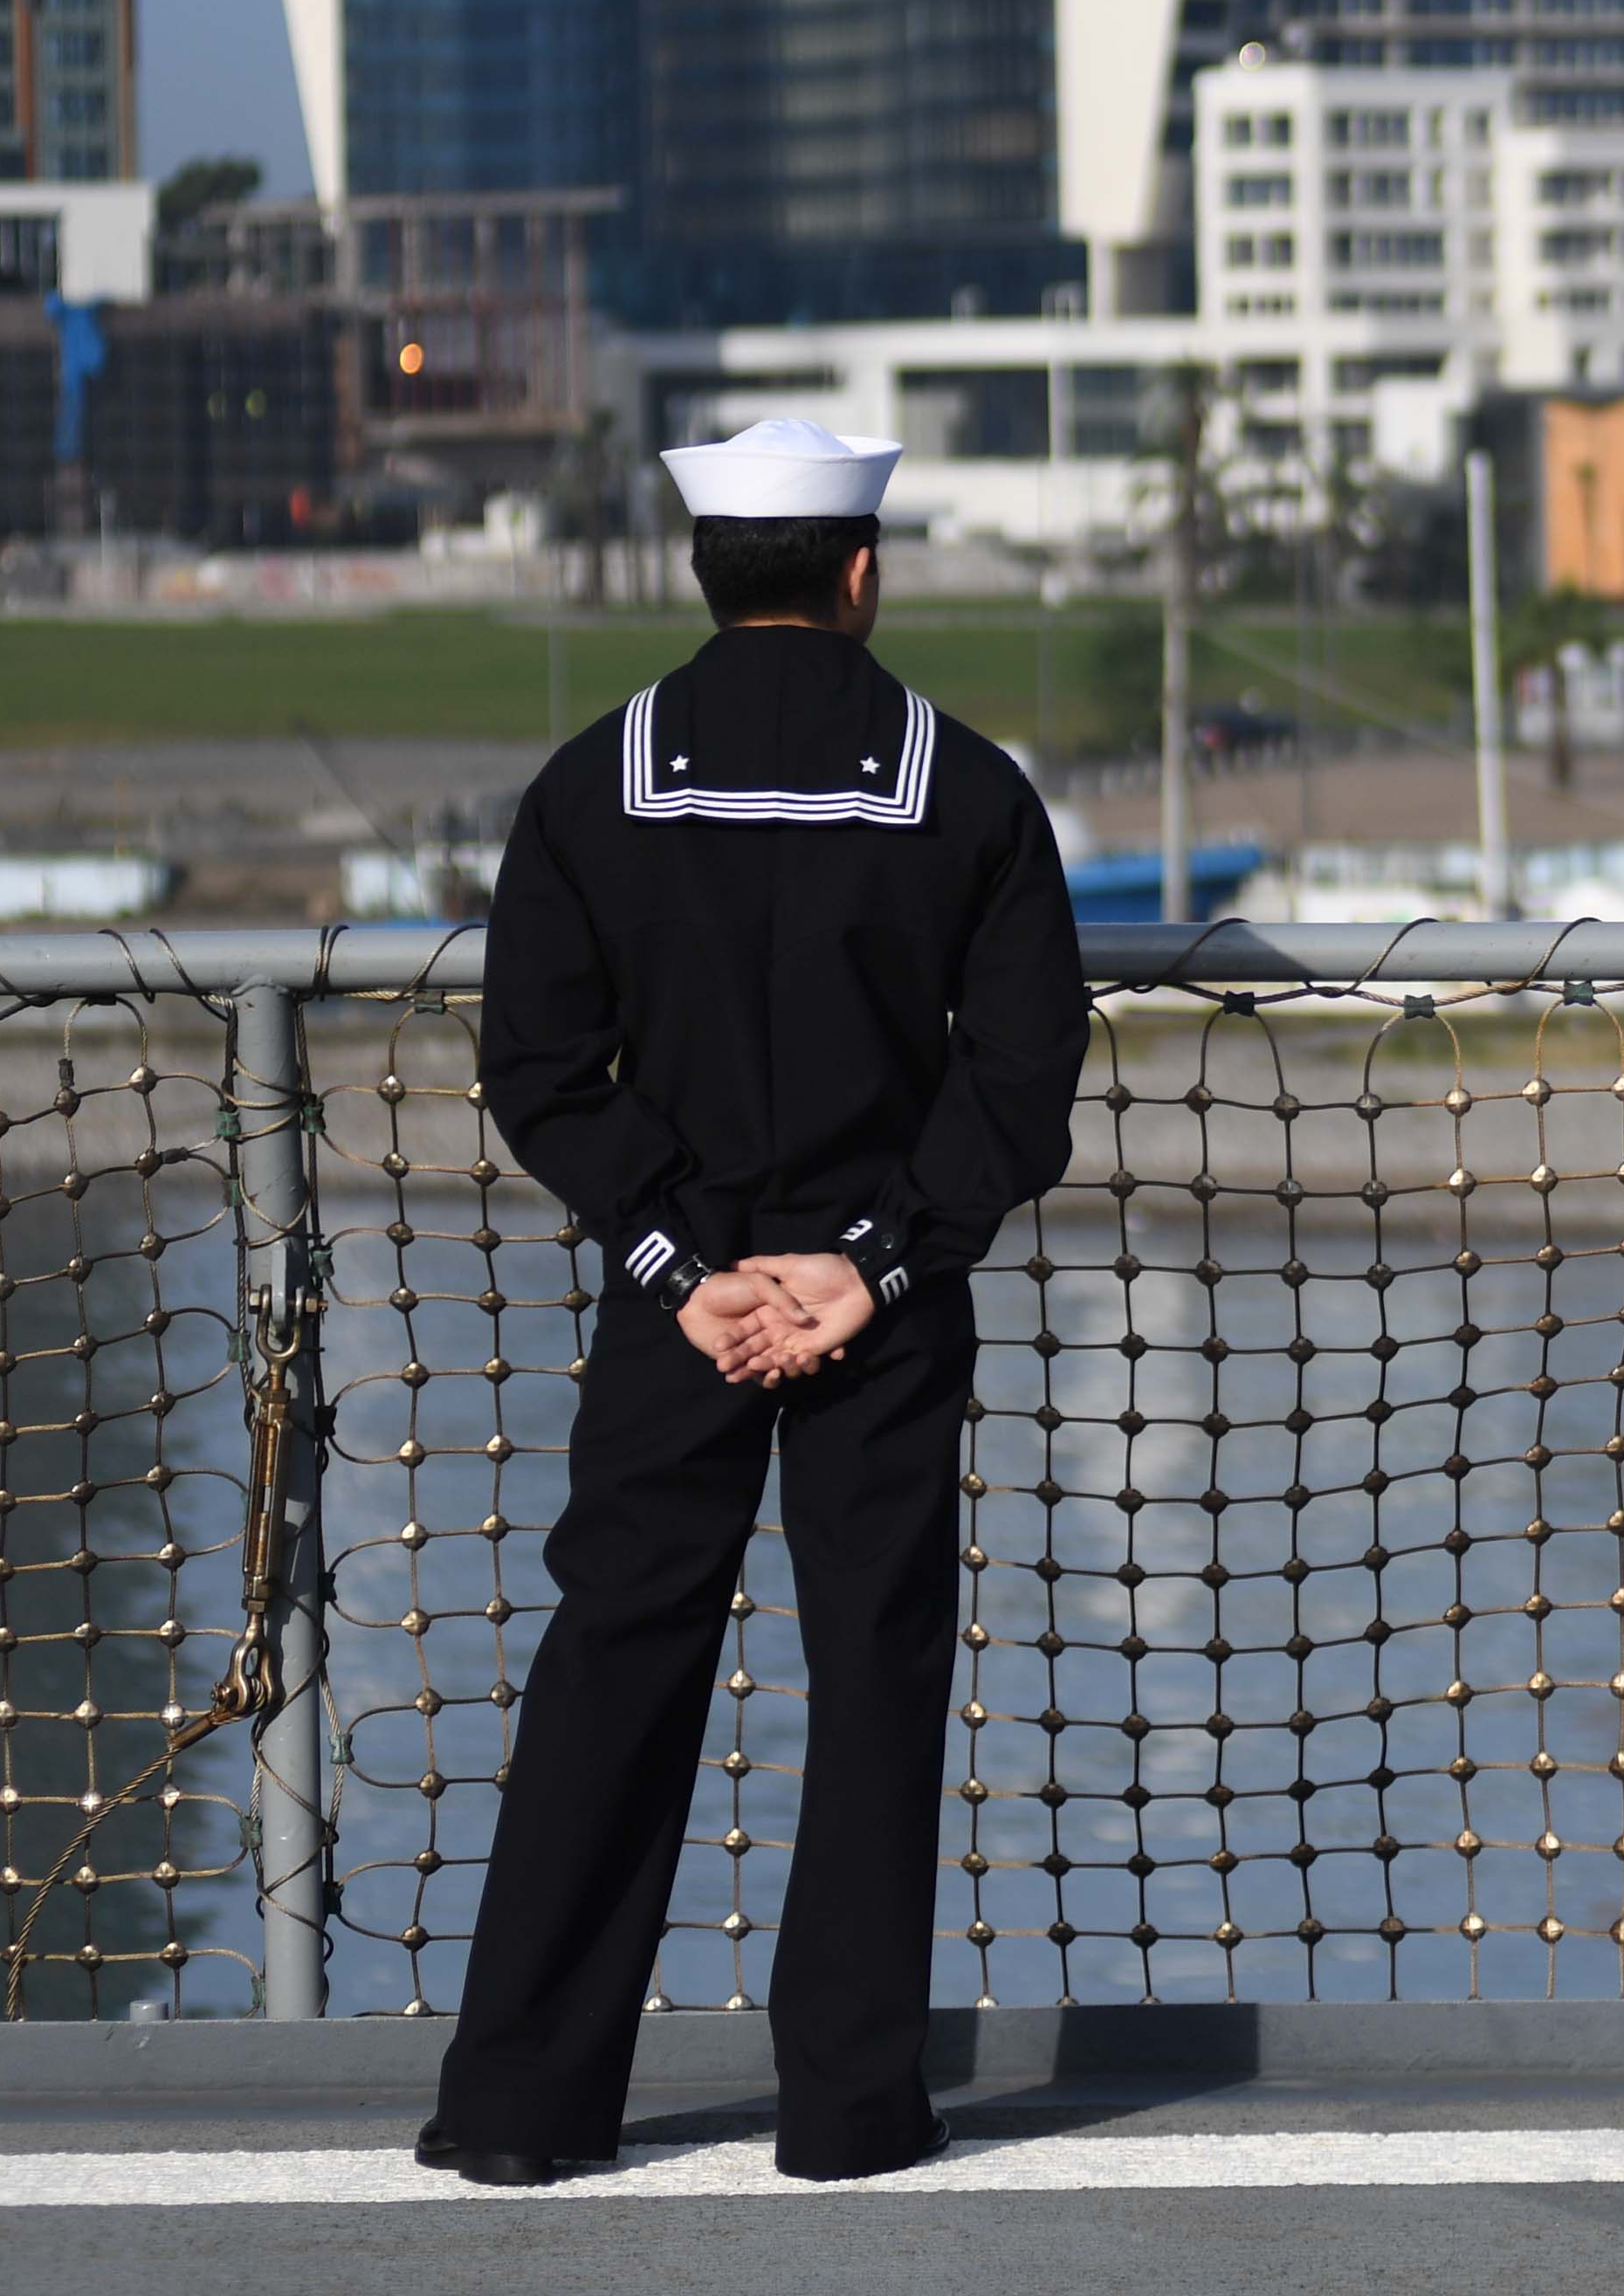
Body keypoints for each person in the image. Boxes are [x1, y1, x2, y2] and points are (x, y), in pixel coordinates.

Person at [420, 418, 1084, 2186]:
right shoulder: (970, 787)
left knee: (612, 1662)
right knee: (872, 1669)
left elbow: (542, 1065)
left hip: (682, 1300)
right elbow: (1020, 1081)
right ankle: (852, 2109)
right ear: (861, 569)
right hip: (884, 1298)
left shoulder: (593, 778)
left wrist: (677, 1265)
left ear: (702, 568)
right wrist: (868, 1264)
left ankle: (519, 2107)